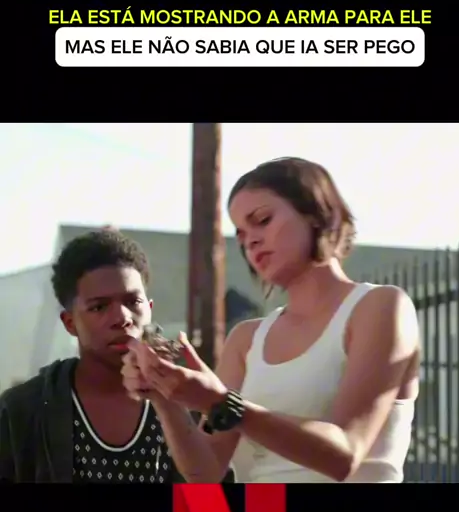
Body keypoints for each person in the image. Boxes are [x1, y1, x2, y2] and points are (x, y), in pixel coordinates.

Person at [122, 157, 420, 484]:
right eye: (241, 233)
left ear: (318, 213)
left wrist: (223, 404)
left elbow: (345, 454)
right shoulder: (246, 339)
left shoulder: (379, 306)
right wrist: (165, 395)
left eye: (262, 220)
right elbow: (206, 473)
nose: (250, 240)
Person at [0, 228, 196, 484]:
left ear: (149, 308)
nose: (122, 318)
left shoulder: (189, 401)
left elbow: (216, 506)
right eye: (99, 307)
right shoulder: (22, 412)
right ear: (70, 323)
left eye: (133, 302)